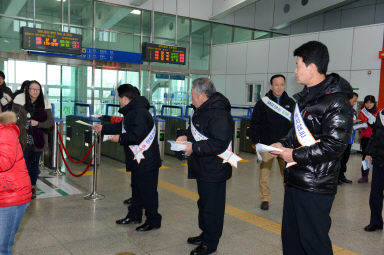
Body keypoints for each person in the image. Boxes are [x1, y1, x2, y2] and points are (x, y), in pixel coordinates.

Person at [270, 41, 353, 255]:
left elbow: (334, 146)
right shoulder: (303, 99)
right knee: (291, 239)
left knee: (313, 242)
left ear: (312, 67)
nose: (295, 70)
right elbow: (295, 135)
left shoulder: (336, 101)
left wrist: (294, 154)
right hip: (295, 179)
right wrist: (283, 144)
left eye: (298, 65)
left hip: (316, 185)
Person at [177, 78, 235, 255]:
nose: (191, 97)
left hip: (214, 169)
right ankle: (205, 233)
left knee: (213, 207)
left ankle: (210, 243)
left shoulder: (219, 114)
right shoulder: (201, 110)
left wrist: (194, 147)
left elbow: (219, 143)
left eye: (192, 94)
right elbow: (197, 131)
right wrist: (185, 137)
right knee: (203, 204)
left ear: (202, 95)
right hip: (201, 166)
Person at [93, 84, 162, 232]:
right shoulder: (133, 112)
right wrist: (103, 128)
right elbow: (123, 128)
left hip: (147, 161)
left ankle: (153, 220)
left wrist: (119, 139)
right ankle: (134, 215)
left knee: (148, 192)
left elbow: (136, 135)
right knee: (136, 189)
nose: (118, 100)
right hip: (138, 159)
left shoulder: (139, 113)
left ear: (125, 98)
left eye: (119, 97)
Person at [247, 74, 295, 210]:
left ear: (285, 85)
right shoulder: (263, 102)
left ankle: (290, 198)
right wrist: (255, 141)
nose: (279, 87)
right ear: (271, 86)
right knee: (264, 174)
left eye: (282, 84)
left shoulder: (291, 103)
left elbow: (294, 126)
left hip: (285, 146)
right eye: (276, 84)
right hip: (267, 145)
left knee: (288, 174)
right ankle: (265, 199)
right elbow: (255, 123)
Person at [12, 80, 54, 199]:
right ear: (27, 90)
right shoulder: (19, 100)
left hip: (38, 140)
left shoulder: (45, 102)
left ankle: (32, 188)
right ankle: (23, 188)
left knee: (34, 166)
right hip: (23, 140)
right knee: (23, 165)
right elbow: (12, 119)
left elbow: (50, 123)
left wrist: (38, 124)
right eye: (32, 89)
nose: (35, 91)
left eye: (37, 89)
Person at [0, 111, 32, 255]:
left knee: (2, 247)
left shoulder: (6, 131)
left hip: (11, 195)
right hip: (5, 193)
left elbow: (5, 162)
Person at [363, 108, 384, 232]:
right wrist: (369, 153)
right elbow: (374, 136)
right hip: (379, 161)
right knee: (375, 193)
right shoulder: (380, 114)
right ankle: (376, 222)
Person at [357, 95, 379, 183]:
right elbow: (359, 125)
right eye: (367, 103)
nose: (369, 105)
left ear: (374, 103)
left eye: (371, 103)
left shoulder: (379, 112)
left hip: (377, 138)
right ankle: (365, 176)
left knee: (377, 158)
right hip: (366, 137)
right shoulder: (362, 112)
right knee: (365, 157)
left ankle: (377, 177)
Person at [338, 92, 359, 184]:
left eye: (356, 101)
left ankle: (342, 176)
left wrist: (357, 123)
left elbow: (355, 123)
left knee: (345, 159)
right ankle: (336, 177)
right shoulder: (340, 109)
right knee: (339, 159)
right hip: (341, 139)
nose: (354, 103)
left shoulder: (353, 111)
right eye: (353, 100)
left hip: (349, 139)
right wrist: (352, 121)